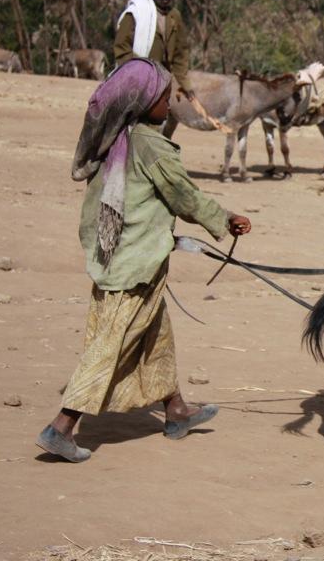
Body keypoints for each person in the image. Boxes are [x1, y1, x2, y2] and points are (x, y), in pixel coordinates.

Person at [36, 58, 251, 462]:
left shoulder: (116, 138)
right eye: (164, 98)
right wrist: (225, 220)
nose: (169, 105)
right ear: (142, 101)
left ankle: (176, 411)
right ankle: (61, 426)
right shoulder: (150, 144)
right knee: (111, 344)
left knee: (156, 337)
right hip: (134, 266)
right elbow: (183, 195)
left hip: (119, 257)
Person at [114, 0, 194, 100]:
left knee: (157, 117)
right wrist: (136, 72)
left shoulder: (175, 17)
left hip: (160, 81)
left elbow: (180, 54)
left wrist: (186, 85)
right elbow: (121, 45)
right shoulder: (138, 12)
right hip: (134, 78)